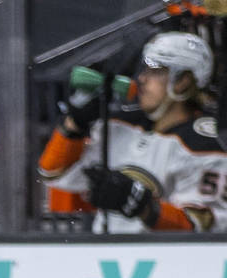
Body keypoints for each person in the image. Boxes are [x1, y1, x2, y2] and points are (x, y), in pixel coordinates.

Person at [38, 30, 227, 232]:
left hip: (166, 260)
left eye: (155, 70)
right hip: (105, 255)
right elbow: (53, 173)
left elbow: (205, 224)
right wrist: (74, 126)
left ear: (182, 81)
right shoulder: (120, 126)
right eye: (143, 69)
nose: (142, 78)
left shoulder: (205, 145)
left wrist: (144, 207)